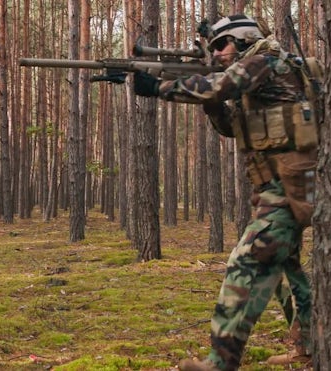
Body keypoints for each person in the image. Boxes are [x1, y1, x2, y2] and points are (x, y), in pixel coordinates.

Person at [133, 14, 318, 371]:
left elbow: (218, 85)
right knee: (286, 271)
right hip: (280, 186)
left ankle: (220, 362)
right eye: (212, 46)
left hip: (289, 188)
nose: (216, 53)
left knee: (246, 262)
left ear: (246, 40)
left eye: (222, 44)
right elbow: (232, 127)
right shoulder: (261, 73)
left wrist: (158, 87)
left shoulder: (265, 63)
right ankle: (309, 346)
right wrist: (209, 102)